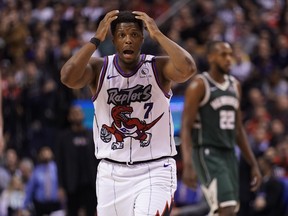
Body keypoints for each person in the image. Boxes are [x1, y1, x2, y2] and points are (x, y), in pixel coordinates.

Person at [60, 10, 196, 215]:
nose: (128, 40)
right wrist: (95, 39)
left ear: (142, 38)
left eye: (134, 34)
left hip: (155, 170)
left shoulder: (158, 66)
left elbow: (188, 68)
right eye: (122, 35)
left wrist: (158, 34)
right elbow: (67, 77)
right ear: (114, 40)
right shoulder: (99, 68)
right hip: (111, 173)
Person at [180, 41, 262, 216]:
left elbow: (238, 128)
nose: (228, 59)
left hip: (229, 154)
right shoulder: (199, 85)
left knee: (225, 210)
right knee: (227, 209)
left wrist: (253, 163)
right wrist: (187, 164)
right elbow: (186, 127)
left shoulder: (235, 85)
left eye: (230, 54)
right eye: (223, 55)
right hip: (207, 152)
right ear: (211, 57)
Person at [55, 104, 98, 216]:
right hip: (72, 184)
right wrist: (60, 186)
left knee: (92, 212)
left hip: (90, 183)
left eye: (79, 112)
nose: (77, 115)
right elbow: (60, 163)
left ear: (83, 115)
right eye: (74, 113)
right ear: (69, 117)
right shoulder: (63, 138)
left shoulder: (91, 135)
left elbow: (97, 160)